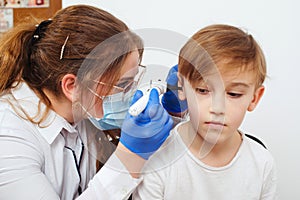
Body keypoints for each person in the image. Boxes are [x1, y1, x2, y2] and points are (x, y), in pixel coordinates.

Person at [0, 4, 173, 200]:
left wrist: (172, 112)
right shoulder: (8, 138)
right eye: (123, 84)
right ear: (72, 86)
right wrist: (130, 157)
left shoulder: (82, 109)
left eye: (133, 81)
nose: (129, 93)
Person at [133, 24, 278, 199]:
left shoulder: (262, 163)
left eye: (233, 94)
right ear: (181, 87)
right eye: (203, 90)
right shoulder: (158, 158)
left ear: (254, 98)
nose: (217, 108)